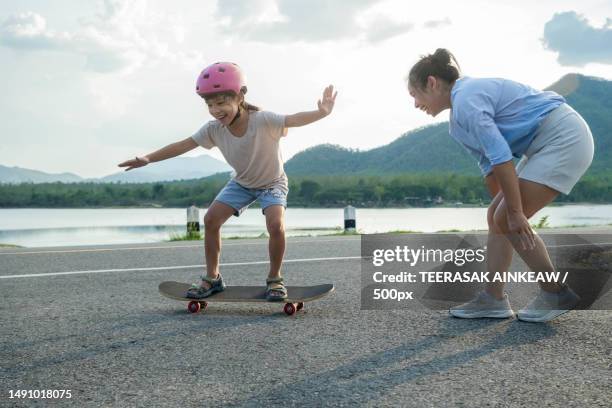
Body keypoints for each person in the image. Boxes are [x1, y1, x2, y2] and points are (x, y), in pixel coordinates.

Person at [119, 62, 337, 301]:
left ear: (240, 95)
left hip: (272, 182)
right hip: (242, 183)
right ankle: (213, 278)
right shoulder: (214, 129)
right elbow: (183, 145)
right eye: (210, 104)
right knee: (211, 219)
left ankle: (275, 279)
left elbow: (293, 119)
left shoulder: (263, 120)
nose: (215, 110)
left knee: (275, 225)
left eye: (221, 103)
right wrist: (148, 158)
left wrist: (321, 112)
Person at [406, 49, 594, 322]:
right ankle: (493, 300)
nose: (415, 104)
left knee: (506, 217)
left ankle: (555, 291)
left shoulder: (468, 98)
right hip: (540, 146)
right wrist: (506, 217)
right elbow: (492, 170)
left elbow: (501, 156)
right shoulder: (457, 124)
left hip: (563, 137)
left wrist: (515, 213)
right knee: (498, 218)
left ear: (432, 83)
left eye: (415, 94)